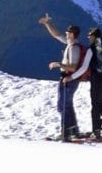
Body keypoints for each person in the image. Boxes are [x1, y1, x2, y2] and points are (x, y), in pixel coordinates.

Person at [39, 13, 92, 141]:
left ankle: (66, 133)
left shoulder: (74, 48)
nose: (65, 33)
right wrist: (48, 23)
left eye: (68, 32)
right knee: (66, 104)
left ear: (72, 34)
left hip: (70, 79)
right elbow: (56, 35)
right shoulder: (70, 44)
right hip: (68, 78)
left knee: (63, 105)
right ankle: (73, 130)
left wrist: (58, 64)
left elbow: (73, 67)